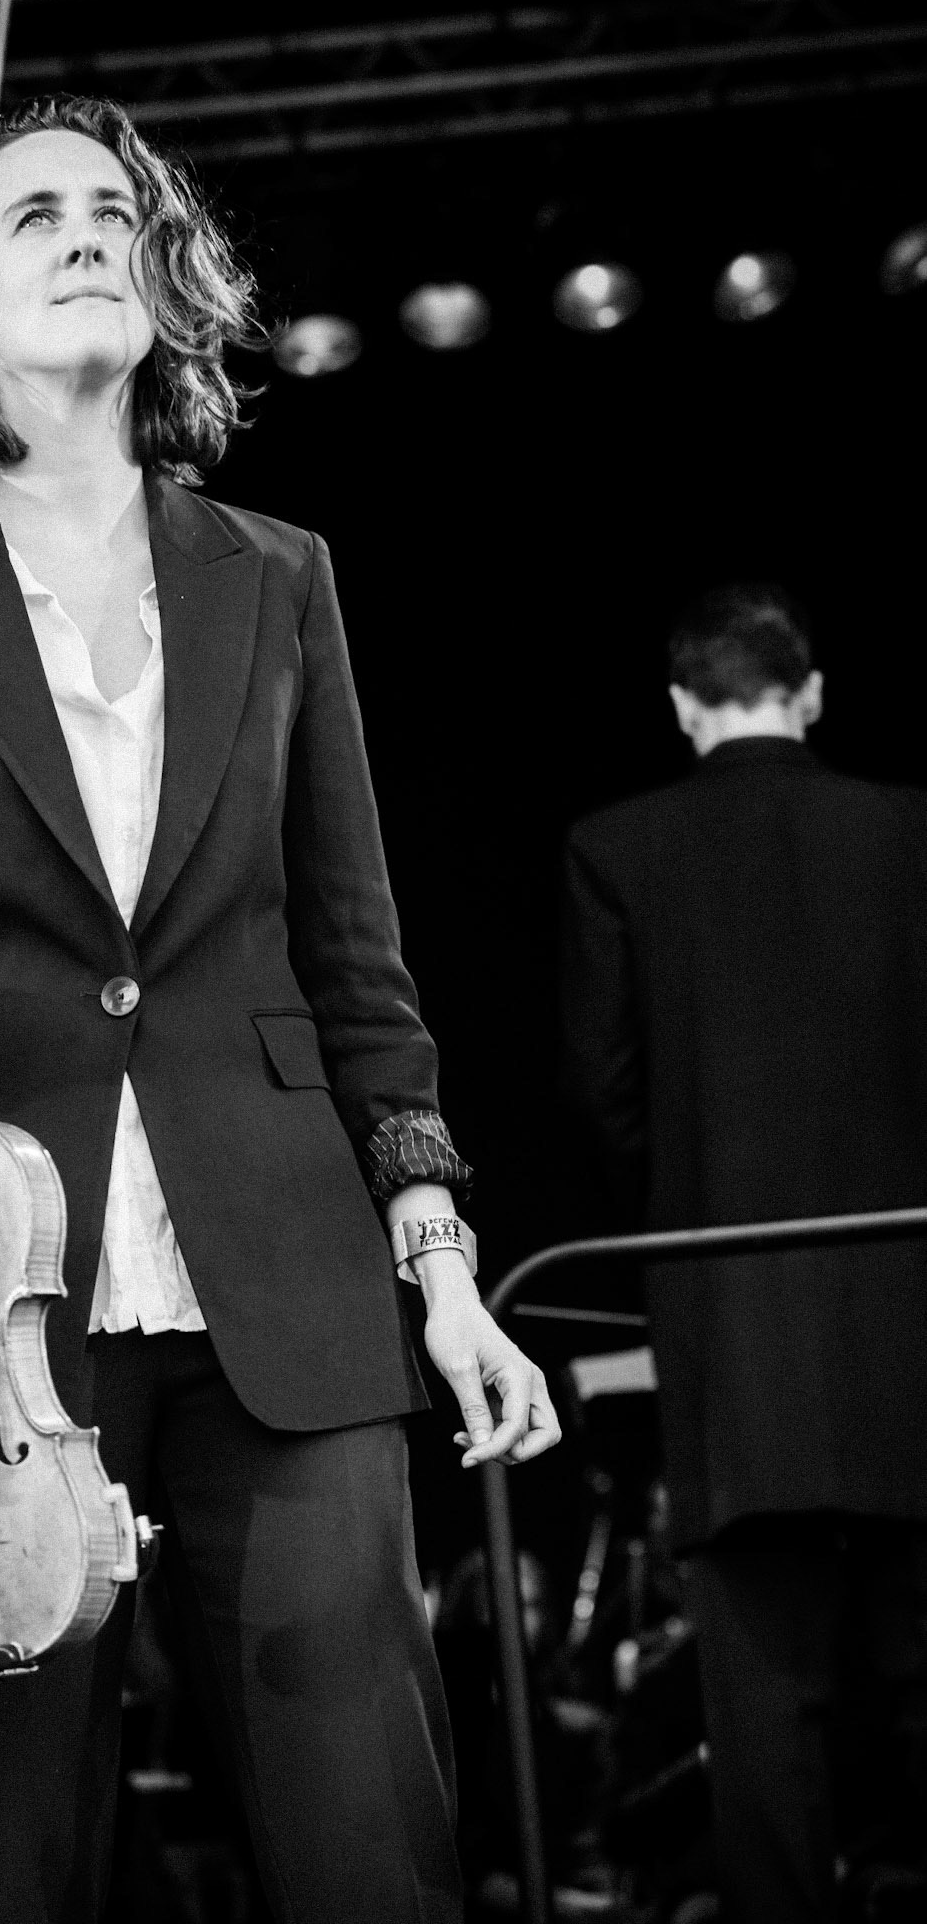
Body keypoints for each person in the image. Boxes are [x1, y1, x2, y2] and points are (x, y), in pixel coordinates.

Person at [0, 94, 559, 1924]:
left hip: (280, 1288)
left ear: (165, 271)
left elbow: (356, 965)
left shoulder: (276, 572)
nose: (88, 232)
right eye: (34, 217)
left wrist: (436, 1266)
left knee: (378, 1867)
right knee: (2, 1883)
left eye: (112, 211)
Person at [559, 582, 927, 1924]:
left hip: (734, 1337)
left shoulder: (616, 848)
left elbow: (602, 1091)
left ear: (679, 708)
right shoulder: (905, 833)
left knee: (761, 1711)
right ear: (810, 693)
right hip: (912, 1314)